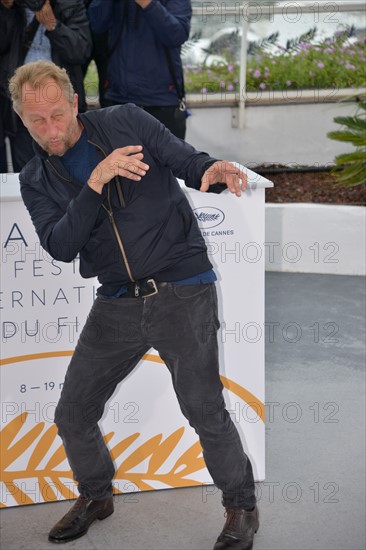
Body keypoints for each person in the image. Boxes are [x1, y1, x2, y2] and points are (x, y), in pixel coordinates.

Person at [9, 60, 259, 550]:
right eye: (36, 121)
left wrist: (211, 167)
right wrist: (95, 181)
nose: (50, 129)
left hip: (182, 289)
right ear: (20, 119)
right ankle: (96, 495)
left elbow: (187, 161)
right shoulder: (35, 176)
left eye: (57, 115)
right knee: (72, 413)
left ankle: (241, 508)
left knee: (205, 409)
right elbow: (61, 245)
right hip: (117, 301)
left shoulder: (127, 120)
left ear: (74, 102)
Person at [0, 0, 91, 172]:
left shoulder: (70, 5)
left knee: (70, 173)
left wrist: (53, 25)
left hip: (59, 105)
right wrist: (6, 9)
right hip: (22, 106)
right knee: (29, 173)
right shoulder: (15, 7)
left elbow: (80, 51)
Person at [87, 0, 191, 139]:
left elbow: (176, 35)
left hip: (162, 101)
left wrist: (148, 3)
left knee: (167, 160)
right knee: (120, 160)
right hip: (119, 99)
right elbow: (96, 24)